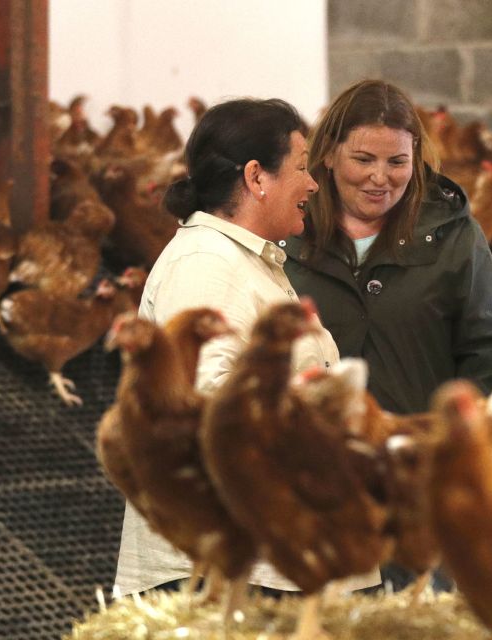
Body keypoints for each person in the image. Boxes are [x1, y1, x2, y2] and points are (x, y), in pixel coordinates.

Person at [114, 97, 362, 595]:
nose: (313, 184)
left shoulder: (239, 261)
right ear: (256, 177)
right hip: (226, 570)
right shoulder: (208, 264)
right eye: (300, 168)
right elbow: (210, 417)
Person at [282, 80, 492, 417]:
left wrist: (462, 435)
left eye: (396, 162)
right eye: (363, 160)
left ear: (415, 158)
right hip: (318, 457)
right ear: (331, 154)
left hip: (420, 455)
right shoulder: (290, 233)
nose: (380, 177)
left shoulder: (452, 234)